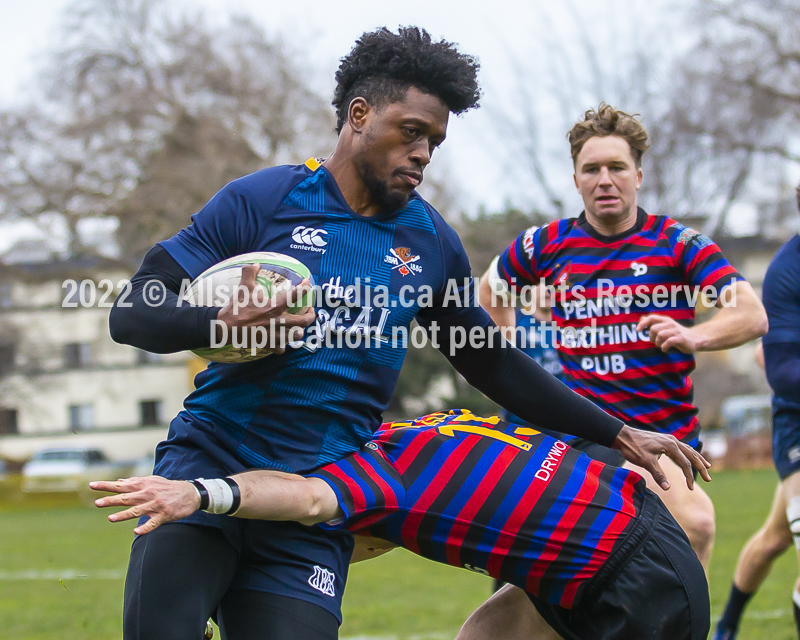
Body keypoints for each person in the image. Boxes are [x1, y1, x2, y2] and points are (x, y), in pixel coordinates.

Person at [107, 32, 701, 640]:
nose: (422, 153)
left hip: (319, 492)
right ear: (359, 116)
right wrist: (218, 323)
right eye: (411, 131)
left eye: (434, 142)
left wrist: (616, 431)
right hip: (210, 454)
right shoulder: (265, 201)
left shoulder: (429, 243)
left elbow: (491, 363)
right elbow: (132, 312)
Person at [470, 103, 767, 640]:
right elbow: (489, 290)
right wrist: (505, 369)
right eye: (591, 169)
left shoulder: (676, 243)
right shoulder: (546, 245)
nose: (604, 180)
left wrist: (692, 335)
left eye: (616, 167)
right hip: (582, 439)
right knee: (557, 566)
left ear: (638, 175)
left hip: (664, 443)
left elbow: (751, 313)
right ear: (576, 179)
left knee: (694, 524)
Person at [92, 409, 711, 640]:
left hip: (637, 582)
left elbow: (309, 504)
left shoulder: (374, 474)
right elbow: (368, 537)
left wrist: (199, 494)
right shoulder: (417, 429)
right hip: (615, 527)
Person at [714, 185, 800, 640]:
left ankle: (726, 624)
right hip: (799, 424)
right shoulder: (787, 269)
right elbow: (780, 368)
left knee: (773, 539)